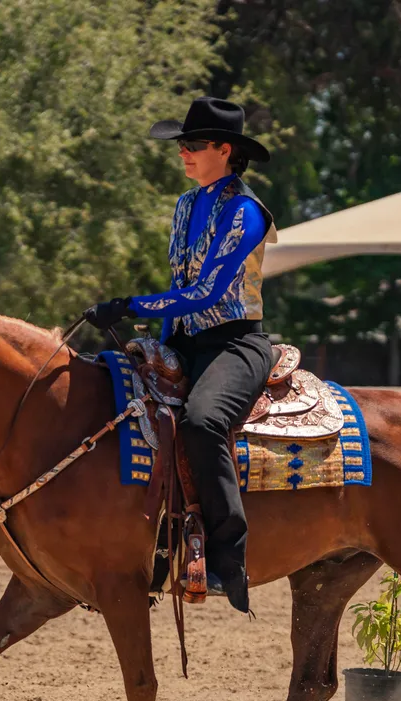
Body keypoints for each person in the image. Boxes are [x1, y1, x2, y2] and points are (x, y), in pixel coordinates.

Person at [85, 96, 277, 614]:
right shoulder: (186, 205)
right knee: (124, 411)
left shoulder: (246, 211)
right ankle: (149, 546)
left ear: (225, 149)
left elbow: (208, 293)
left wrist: (130, 306)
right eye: (181, 146)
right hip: (185, 340)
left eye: (192, 146)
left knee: (200, 422)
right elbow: (180, 283)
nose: (183, 155)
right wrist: (159, 344)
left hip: (236, 343)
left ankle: (227, 558)